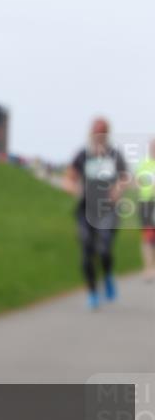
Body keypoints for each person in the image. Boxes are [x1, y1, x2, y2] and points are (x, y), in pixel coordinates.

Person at [63, 118, 130, 309]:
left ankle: (107, 275)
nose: (98, 136)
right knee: (86, 250)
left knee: (104, 249)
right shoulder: (83, 155)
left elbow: (124, 177)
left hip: (108, 209)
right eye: (96, 132)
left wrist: (117, 189)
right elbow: (69, 177)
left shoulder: (115, 155)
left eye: (102, 132)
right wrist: (72, 187)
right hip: (86, 209)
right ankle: (92, 292)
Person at [137, 140, 155, 283]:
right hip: (147, 203)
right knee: (148, 237)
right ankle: (149, 268)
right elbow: (138, 182)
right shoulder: (144, 164)